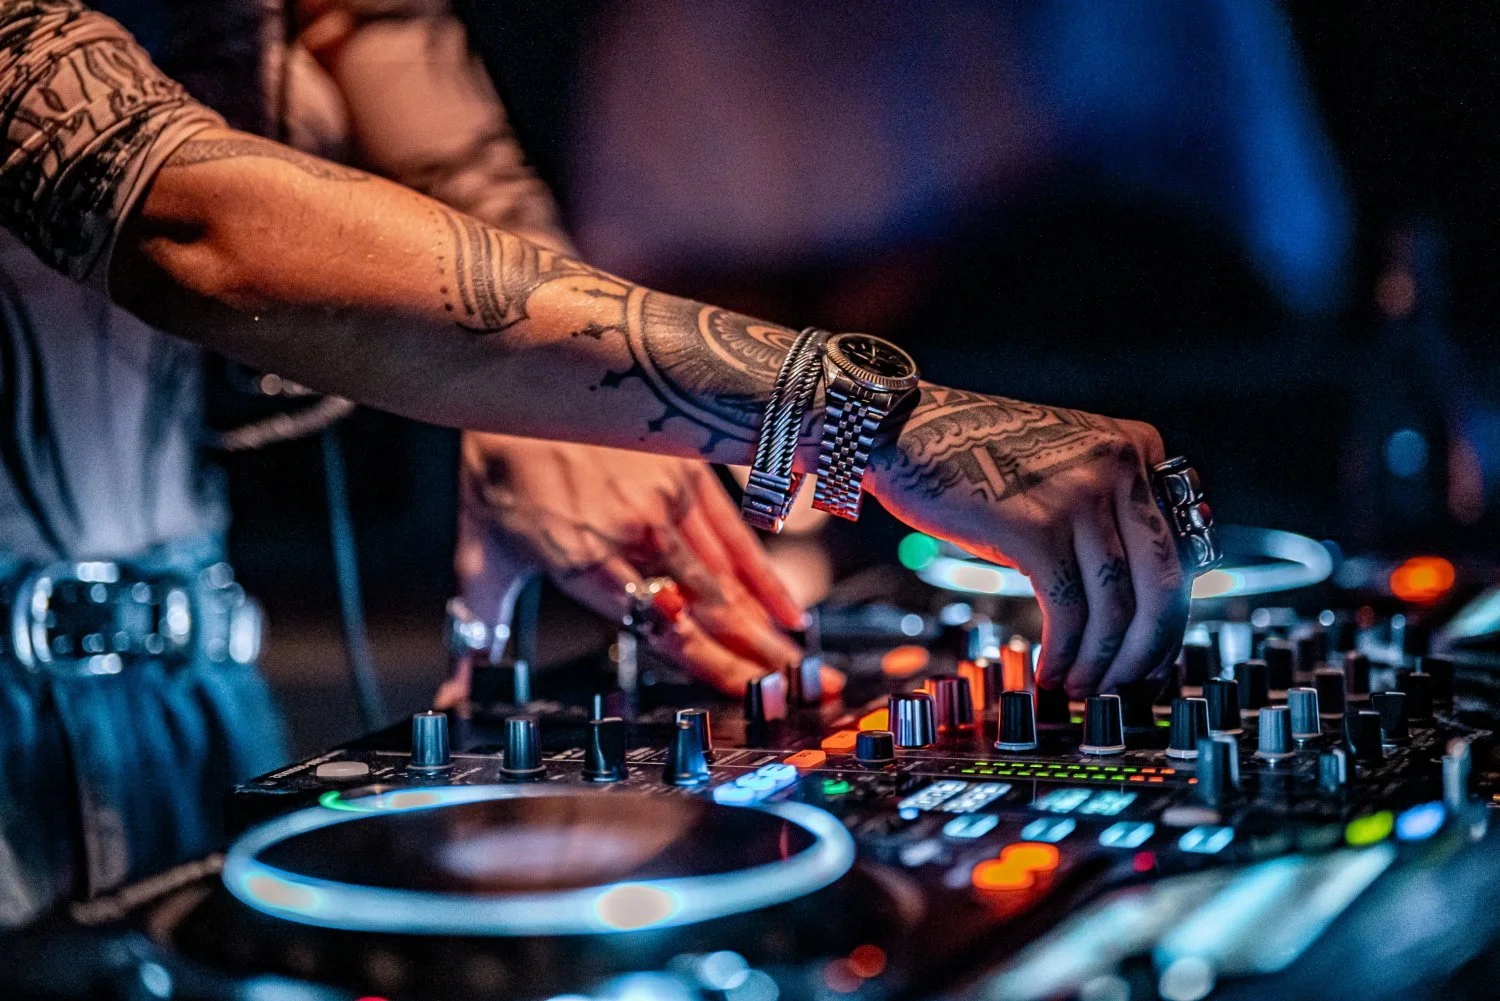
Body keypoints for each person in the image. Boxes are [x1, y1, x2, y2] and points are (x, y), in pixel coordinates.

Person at [0, 0, 1189, 924]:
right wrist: (872, 417)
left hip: (195, 699)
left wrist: (565, 413)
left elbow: (438, 137)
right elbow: (181, 216)